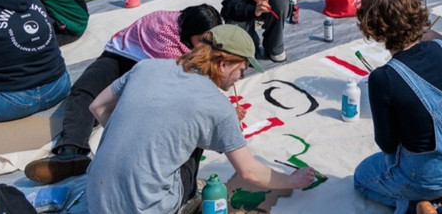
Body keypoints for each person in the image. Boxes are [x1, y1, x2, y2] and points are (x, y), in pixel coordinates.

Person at [85, 24, 315, 213]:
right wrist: (292, 180)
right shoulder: (217, 105)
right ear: (223, 64)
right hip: (146, 207)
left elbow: (97, 107)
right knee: (191, 139)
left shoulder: (146, 66)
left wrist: (130, 137)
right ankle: (185, 200)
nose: (242, 76)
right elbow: (249, 172)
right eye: (242, 69)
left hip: (96, 197)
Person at [24, 4, 222, 185]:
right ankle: (70, 153)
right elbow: (177, 75)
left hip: (150, 70)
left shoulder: (202, 39)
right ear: (189, 31)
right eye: (199, 41)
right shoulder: (162, 29)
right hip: (123, 57)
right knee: (85, 92)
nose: (202, 48)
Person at [353, 0, 442, 214]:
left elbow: (387, 144)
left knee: (361, 177)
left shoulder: (384, 77)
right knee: (427, 170)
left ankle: (418, 204)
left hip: (425, 175)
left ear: (375, 30)